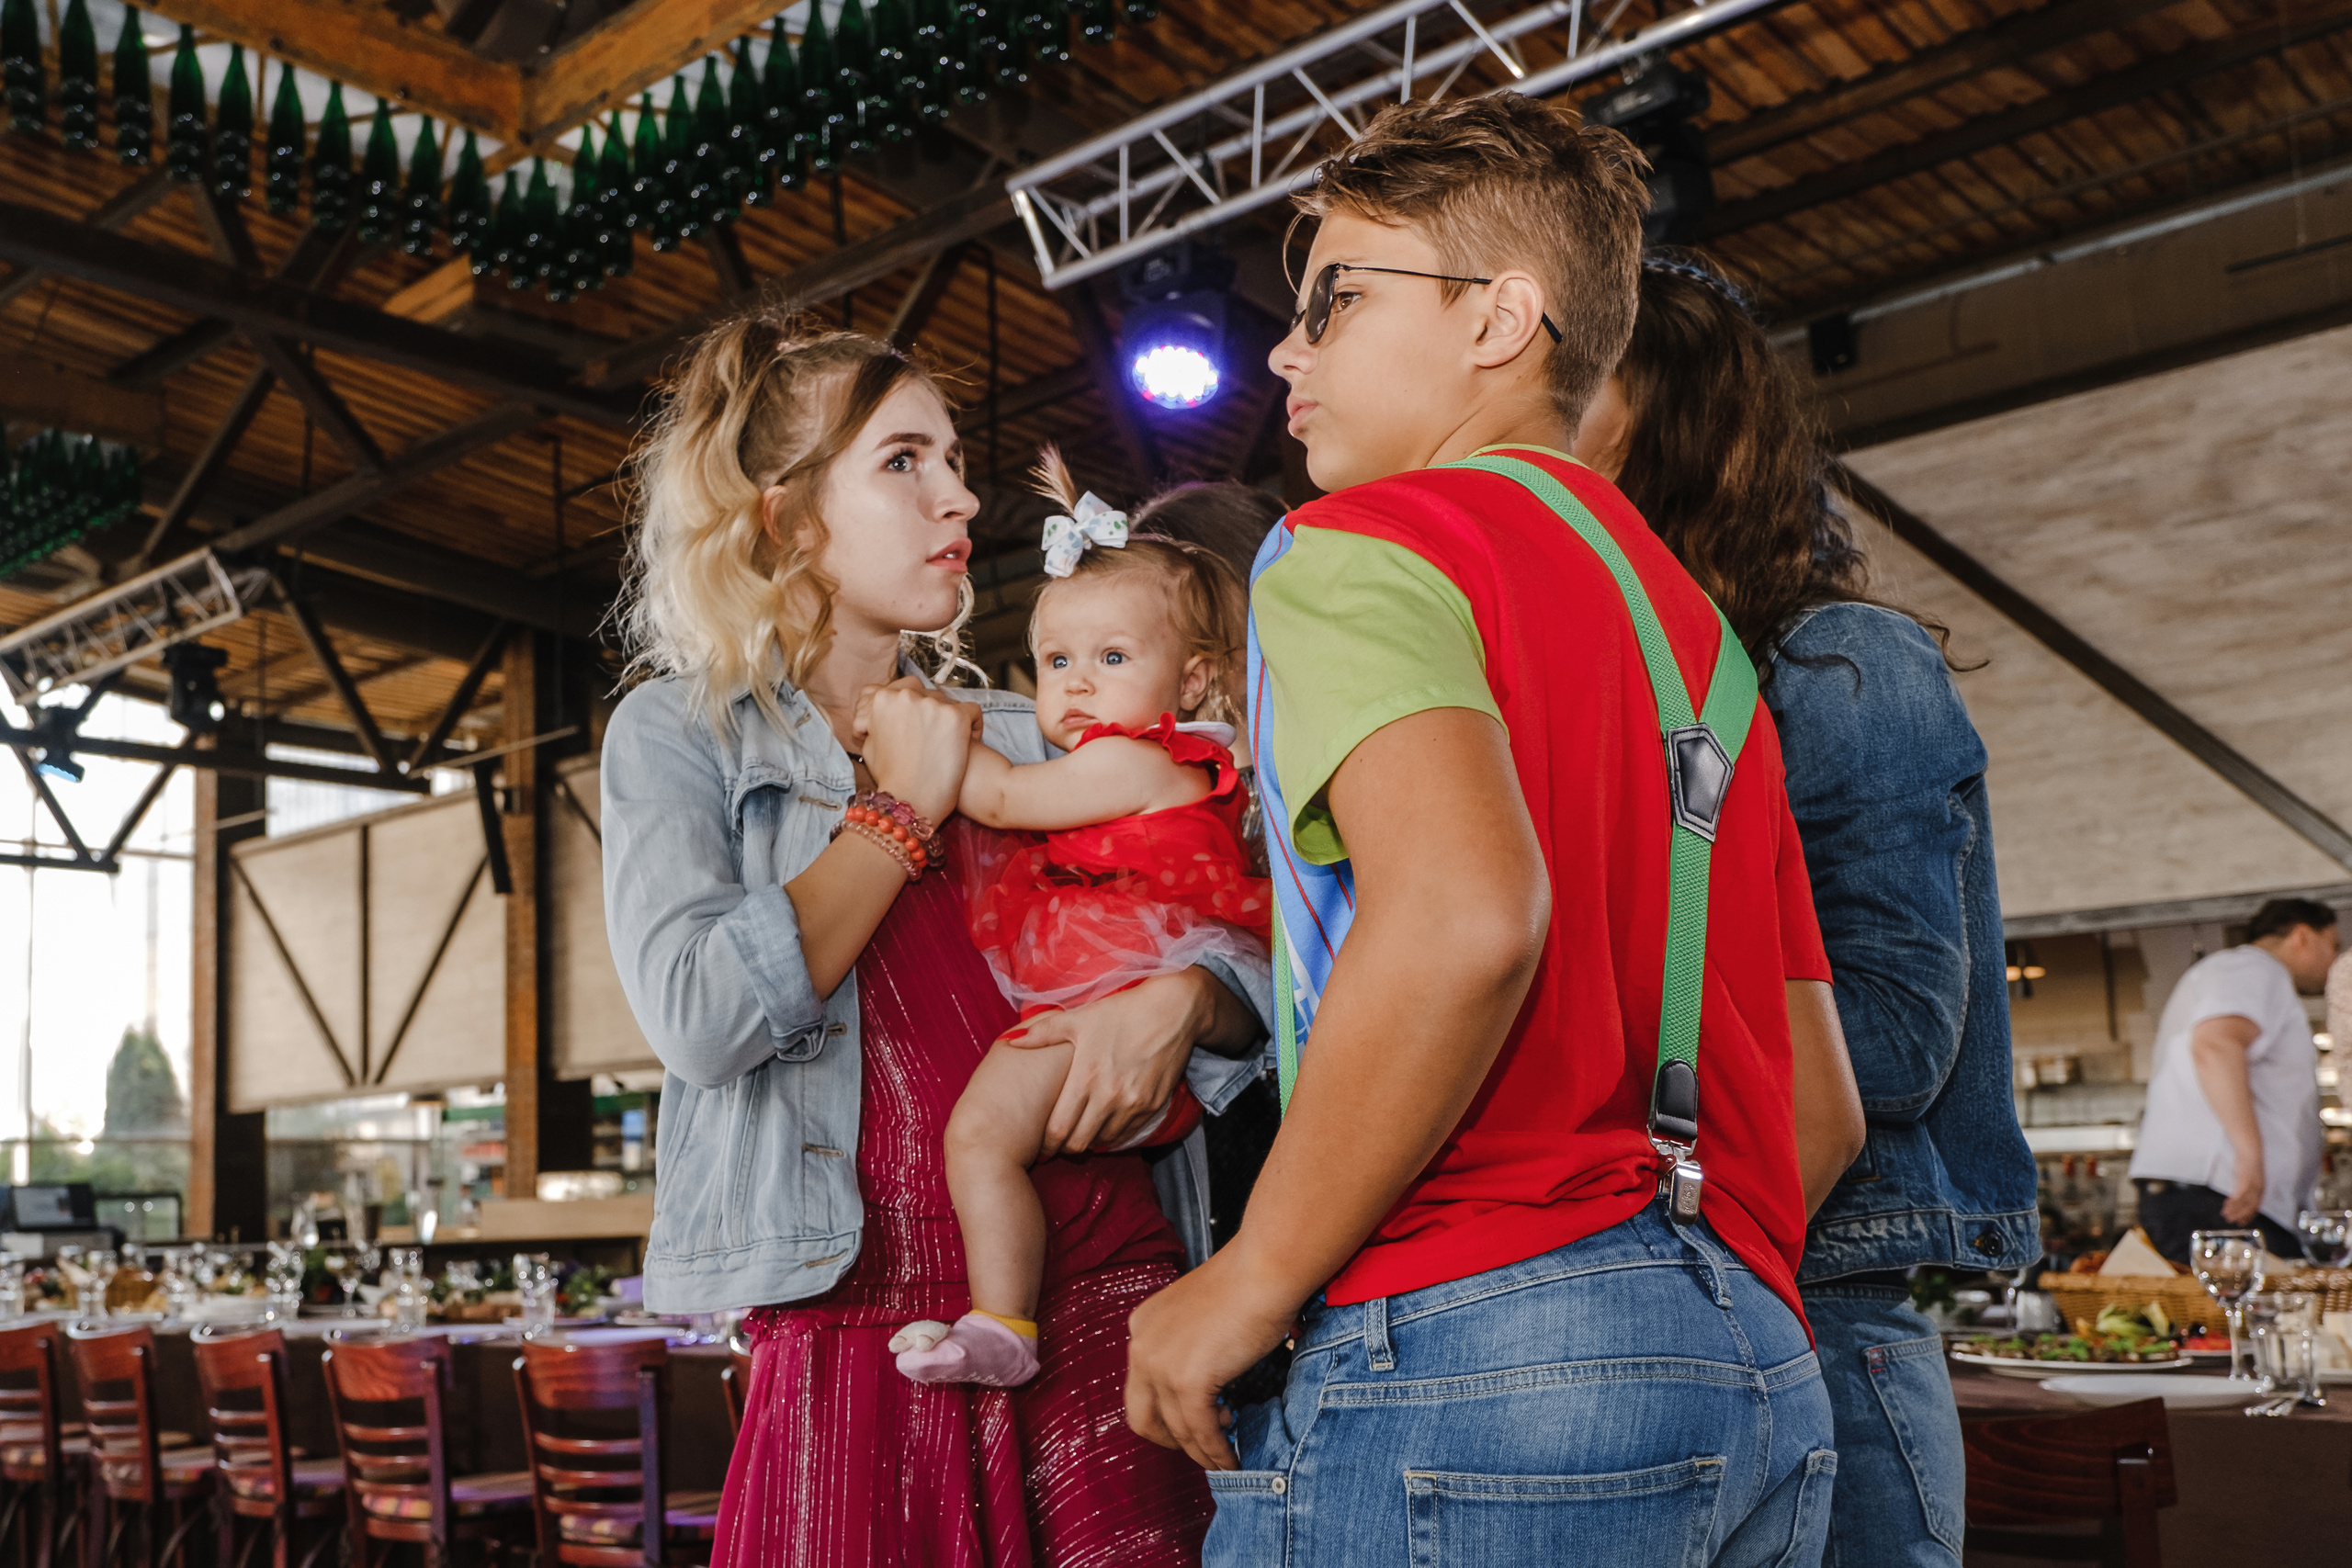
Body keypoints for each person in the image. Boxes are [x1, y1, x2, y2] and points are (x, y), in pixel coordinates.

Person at [1122, 94, 1865, 1568]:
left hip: (1476, 1349)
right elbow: (1823, 1106)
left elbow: (1466, 917)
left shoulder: (1356, 548)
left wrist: (1253, 1275)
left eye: (1336, 299)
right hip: (1756, 1362)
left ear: (1499, 319)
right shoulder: (1701, 636)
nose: (1286, 353)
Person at [599, 315, 1274, 1567]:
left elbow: (1244, 942)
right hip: (856, 1320)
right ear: (788, 517)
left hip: (1104, 1293)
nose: (958, 495)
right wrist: (898, 809)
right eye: (904, 461)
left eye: (954, 459)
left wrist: (1188, 998)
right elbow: (700, 1016)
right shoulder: (681, 734)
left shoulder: (1028, 730)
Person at [1573, 249, 2041, 1568]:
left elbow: (1895, 1037)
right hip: (1670, 1279)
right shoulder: (1624, 676)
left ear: (1672, 421)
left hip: (1830, 1289)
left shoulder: (1837, 663)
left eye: (1578, 382)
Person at [889, 457, 1270, 1388]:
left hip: (1125, 1018)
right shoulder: (1169, 766)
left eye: (1113, 658)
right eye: (1058, 662)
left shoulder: (1138, 762)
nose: (1077, 686)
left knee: (979, 1137)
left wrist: (918, 732)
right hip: (1121, 1024)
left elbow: (1002, 798)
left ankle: (1000, 1323)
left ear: (1196, 677)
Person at [2129, 897, 2341, 1262]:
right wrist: (2250, 1159)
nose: (2336, 961)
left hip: (2222, 1195)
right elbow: (2216, 1044)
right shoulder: (2255, 968)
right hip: (2226, 1196)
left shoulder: (2243, 973)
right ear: (2303, 936)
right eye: (2333, 945)